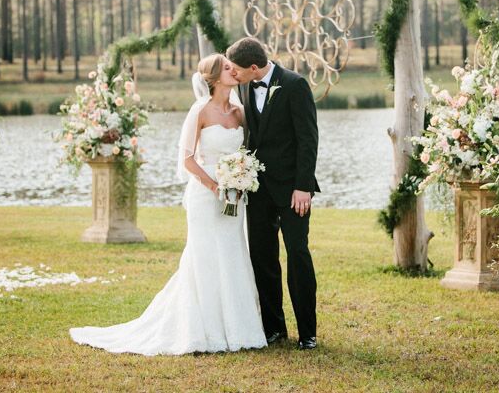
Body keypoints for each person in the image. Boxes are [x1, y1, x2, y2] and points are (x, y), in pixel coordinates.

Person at [69, 54, 267, 355]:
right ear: (213, 79)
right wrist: (214, 185)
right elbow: (187, 159)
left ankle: (239, 329)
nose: (234, 70)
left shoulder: (239, 112)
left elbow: (244, 151)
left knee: (233, 253)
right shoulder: (199, 111)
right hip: (206, 194)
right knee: (204, 258)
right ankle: (203, 329)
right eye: (227, 68)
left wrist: (240, 177)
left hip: (235, 193)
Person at [226, 37, 319, 351]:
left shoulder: (295, 85)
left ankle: (308, 332)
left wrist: (303, 186)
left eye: (237, 70)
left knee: (298, 256)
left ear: (253, 67)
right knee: (263, 258)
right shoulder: (246, 87)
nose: (233, 75)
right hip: (258, 190)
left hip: (294, 190)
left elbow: (308, 139)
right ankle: (274, 329)